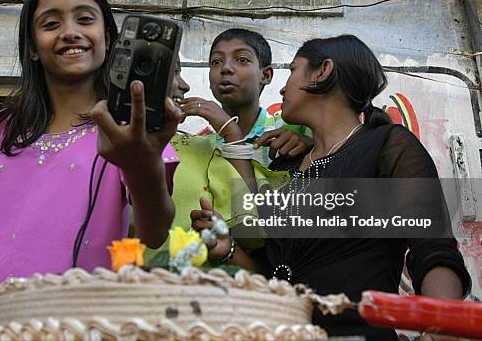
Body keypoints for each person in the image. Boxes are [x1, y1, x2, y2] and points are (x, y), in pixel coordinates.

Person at [0, 0, 180, 341]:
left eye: (85, 19)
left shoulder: (129, 129)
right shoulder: (2, 131)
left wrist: (142, 167)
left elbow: (155, 233)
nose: (70, 31)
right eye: (51, 23)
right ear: (32, 47)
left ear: (109, 38)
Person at [192, 35, 471, 340]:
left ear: (322, 71)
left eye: (293, 71)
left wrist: (442, 327)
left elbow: (432, 247)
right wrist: (227, 248)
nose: (283, 89)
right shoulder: (283, 167)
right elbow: (272, 270)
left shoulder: (387, 147)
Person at [145, 29, 310, 265]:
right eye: (216, 62)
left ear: (266, 75)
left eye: (242, 60)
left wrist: (310, 143)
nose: (226, 68)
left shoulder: (291, 132)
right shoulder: (198, 147)